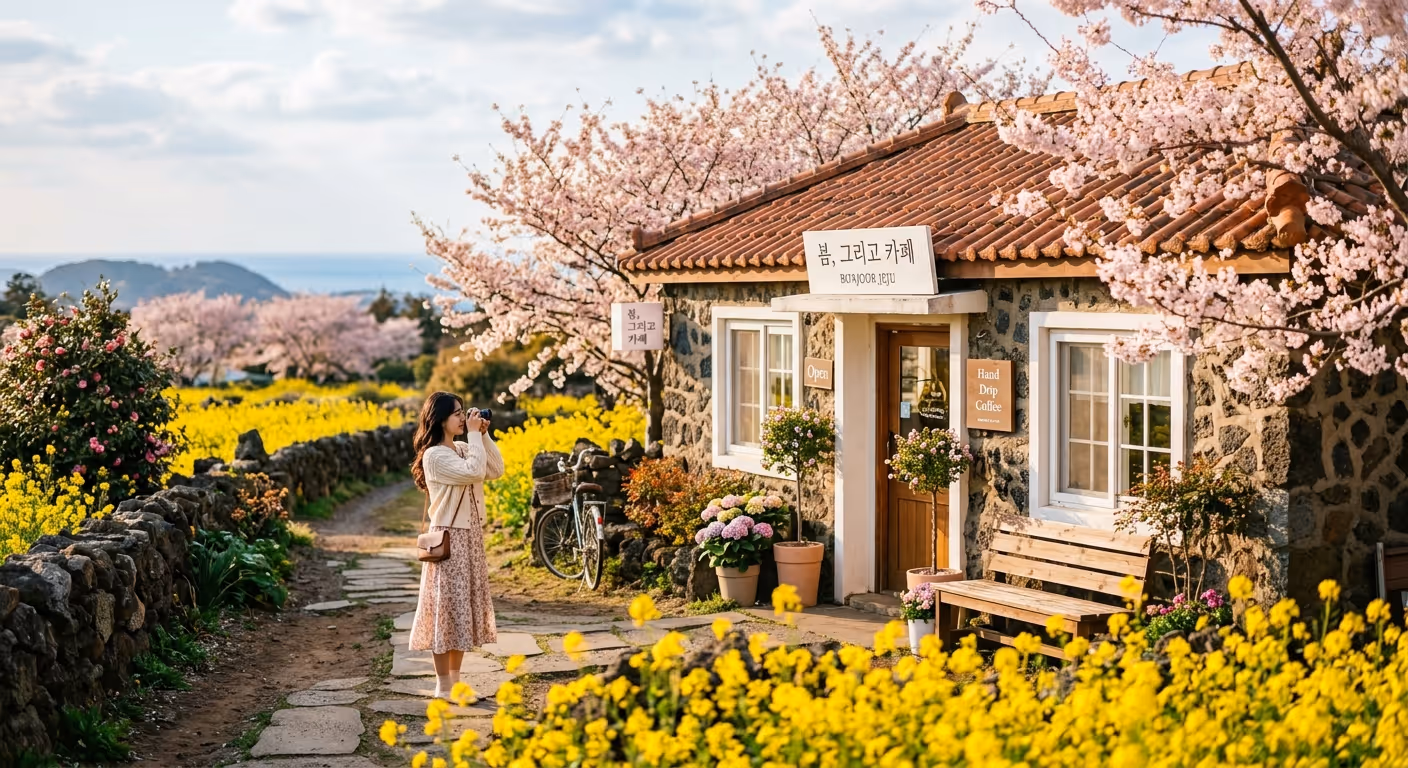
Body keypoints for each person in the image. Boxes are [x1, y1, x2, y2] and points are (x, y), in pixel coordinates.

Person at [408, 391, 504, 698]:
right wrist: (474, 437)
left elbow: (494, 469)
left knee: (462, 609)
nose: (464, 418)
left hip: (470, 537)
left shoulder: (463, 447)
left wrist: (483, 437)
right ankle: (442, 684)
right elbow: (473, 472)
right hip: (449, 537)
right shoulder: (434, 456)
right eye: (458, 414)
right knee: (444, 609)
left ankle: (456, 681)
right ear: (440, 420)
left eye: (464, 412)